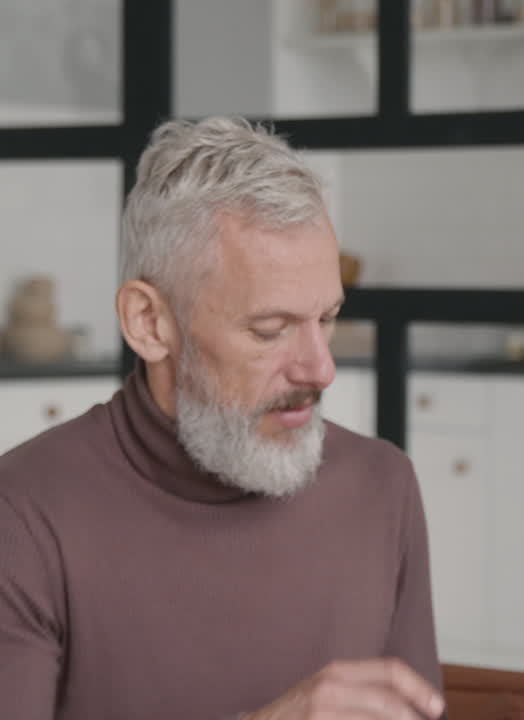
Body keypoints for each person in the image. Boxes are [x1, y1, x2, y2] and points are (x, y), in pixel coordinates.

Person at [0, 118, 446, 720]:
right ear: (149, 323)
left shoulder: (382, 487)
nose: (320, 369)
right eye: (271, 329)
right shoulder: (22, 515)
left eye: (327, 318)